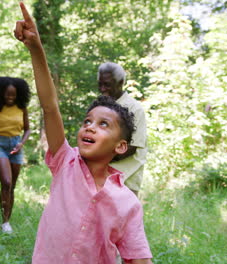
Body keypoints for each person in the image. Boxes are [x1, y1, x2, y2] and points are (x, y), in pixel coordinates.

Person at [14, 2, 153, 263]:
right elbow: (50, 106)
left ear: (120, 146)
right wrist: (36, 48)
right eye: (87, 121)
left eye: (103, 124)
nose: (90, 126)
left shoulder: (127, 203)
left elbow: (139, 258)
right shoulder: (65, 162)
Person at [0, 76, 31, 234]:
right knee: (6, 182)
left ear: (18, 95)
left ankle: (7, 221)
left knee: (12, 187)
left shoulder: (22, 109)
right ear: (1, 93)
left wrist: (21, 143)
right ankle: (4, 222)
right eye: (7, 94)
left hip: (16, 147)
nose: (10, 98)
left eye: (13, 95)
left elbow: (27, 129)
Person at [97, 62, 147, 196]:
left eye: (107, 84)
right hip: (101, 177)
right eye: (100, 84)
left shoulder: (134, 108)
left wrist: (98, 157)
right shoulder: (101, 106)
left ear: (120, 83)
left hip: (126, 179)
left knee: (124, 217)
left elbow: (133, 147)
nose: (102, 89)